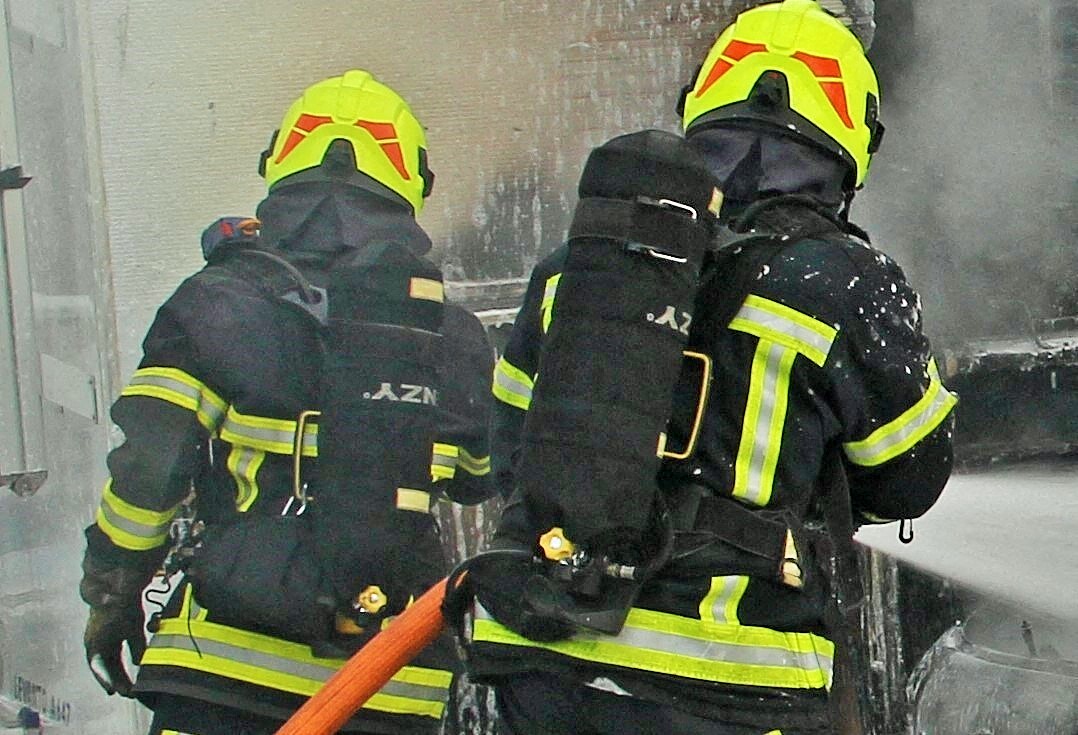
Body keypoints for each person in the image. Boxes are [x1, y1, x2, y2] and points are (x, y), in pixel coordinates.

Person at [462, 1, 956, 733]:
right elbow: (910, 477)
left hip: (538, 656)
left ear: (701, 107)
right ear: (852, 140)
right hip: (720, 675)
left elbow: (508, 453)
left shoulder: (579, 266)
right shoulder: (846, 283)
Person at [78, 69, 494, 735]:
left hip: (222, 674)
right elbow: (478, 479)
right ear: (412, 181)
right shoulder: (453, 335)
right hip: (385, 685)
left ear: (279, 163)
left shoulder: (216, 303)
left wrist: (113, 590)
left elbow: (148, 473)